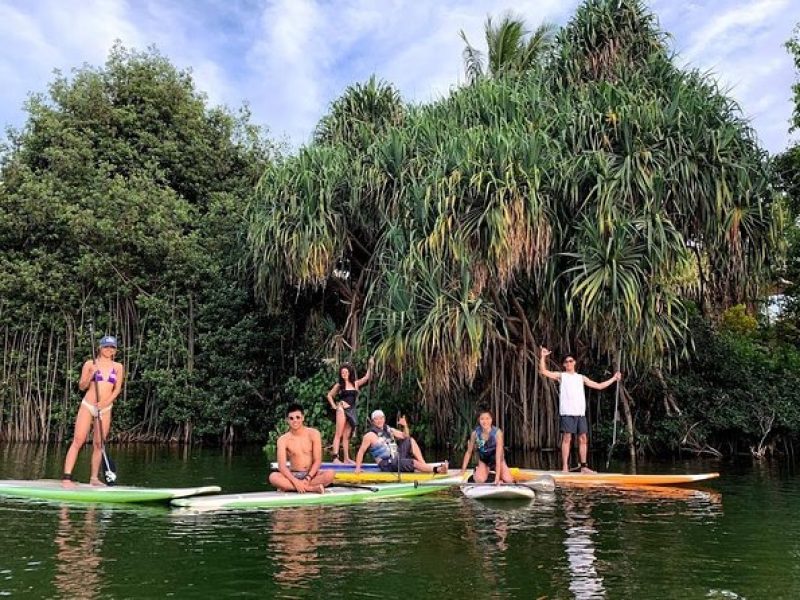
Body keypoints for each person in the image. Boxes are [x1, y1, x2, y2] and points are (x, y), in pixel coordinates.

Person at [539, 347, 622, 473]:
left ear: (575, 362)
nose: (569, 363)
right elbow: (544, 371)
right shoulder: (561, 376)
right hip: (567, 412)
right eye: (566, 362)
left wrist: (614, 379)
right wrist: (543, 357)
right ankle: (565, 467)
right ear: (564, 364)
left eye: (571, 361)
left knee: (583, 438)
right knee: (567, 438)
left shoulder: (581, 378)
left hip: (580, 413)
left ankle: (583, 467)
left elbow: (598, 386)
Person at [62, 335, 124, 486]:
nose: (109, 350)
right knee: (78, 440)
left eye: (112, 347)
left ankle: (94, 479)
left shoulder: (118, 367)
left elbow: (117, 390)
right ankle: (66, 478)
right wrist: (91, 374)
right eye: (106, 347)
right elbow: (82, 386)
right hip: (88, 406)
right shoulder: (90, 363)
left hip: (105, 408)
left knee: (98, 444)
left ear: (115, 350)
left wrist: (104, 403)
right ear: (100, 348)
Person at [353, 410, 448, 474]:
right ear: (373, 421)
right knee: (413, 462)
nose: (379, 420)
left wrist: (405, 425)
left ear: (384, 419)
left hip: (397, 457)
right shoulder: (369, 435)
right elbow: (361, 451)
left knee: (410, 440)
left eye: (381, 418)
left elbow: (405, 435)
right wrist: (357, 468)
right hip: (387, 464)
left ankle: (424, 465)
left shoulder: (389, 429)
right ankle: (438, 470)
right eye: (376, 419)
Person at [269, 403, 335, 493]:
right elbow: (282, 467)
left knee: (330, 474)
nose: (295, 421)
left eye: (298, 417)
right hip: (293, 474)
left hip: (311, 475)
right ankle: (310, 489)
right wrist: (295, 481)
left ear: (303, 418)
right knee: (273, 477)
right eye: (291, 418)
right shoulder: (283, 440)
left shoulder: (314, 434)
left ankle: (291, 487)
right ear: (287, 420)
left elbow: (317, 460)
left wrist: (308, 478)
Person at [325, 357, 374, 463]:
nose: (344, 374)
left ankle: (346, 458)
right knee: (339, 433)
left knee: (347, 436)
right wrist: (334, 406)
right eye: (342, 372)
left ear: (349, 373)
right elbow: (329, 395)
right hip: (342, 409)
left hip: (351, 410)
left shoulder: (355, 384)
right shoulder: (339, 385)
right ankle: (335, 458)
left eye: (345, 372)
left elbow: (366, 378)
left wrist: (370, 365)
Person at [459, 409, 515, 485]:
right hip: (484, 460)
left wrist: (497, 478)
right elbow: (469, 452)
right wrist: (463, 470)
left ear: (491, 419)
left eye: (487, 418)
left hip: (497, 460)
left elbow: (498, 457)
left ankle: (499, 476)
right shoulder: (475, 433)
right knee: (480, 480)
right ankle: (478, 470)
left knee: (509, 481)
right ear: (479, 420)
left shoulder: (498, 433)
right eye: (482, 419)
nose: (485, 421)